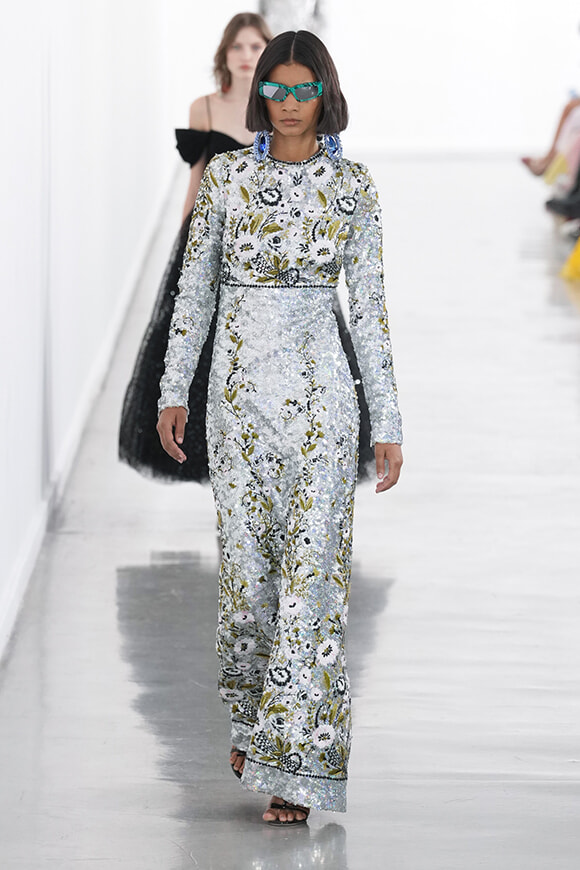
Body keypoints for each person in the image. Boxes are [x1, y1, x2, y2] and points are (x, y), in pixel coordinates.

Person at [157, 30, 403, 825]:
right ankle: (253, 726)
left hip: (324, 407)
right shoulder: (228, 178)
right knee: (249, 584)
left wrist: (387, 420)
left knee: (312, 586)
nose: (290, 103)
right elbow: (195, 290)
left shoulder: (353, 187)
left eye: (304, 90)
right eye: (277, 89)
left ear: (325, 94)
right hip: (239, 407)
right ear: (259, 91)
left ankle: (294, 768)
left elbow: (370, 308)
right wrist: (174, 390)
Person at [118, 13, 272, 480]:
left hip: (265, 242)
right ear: (224, 53)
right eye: (237, 47)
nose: (246, 56)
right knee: (201, 338)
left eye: (255, 46)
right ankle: (208, 450)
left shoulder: (278, 107)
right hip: (212, 236)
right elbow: (197, 177)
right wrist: (185, 238)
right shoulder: (204, 108)